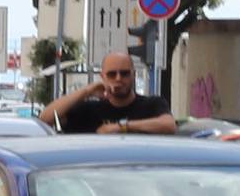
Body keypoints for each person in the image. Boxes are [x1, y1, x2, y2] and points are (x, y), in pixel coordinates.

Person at [41, 52, 176, 137]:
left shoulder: (152, 104)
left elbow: (168, 125)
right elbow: (46, 118)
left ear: (134, 75)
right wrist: (87, 91)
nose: (118, 79)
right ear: (103, 77)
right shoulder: (89, 110)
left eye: (124, 73)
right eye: (111, 74)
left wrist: (121, 127)